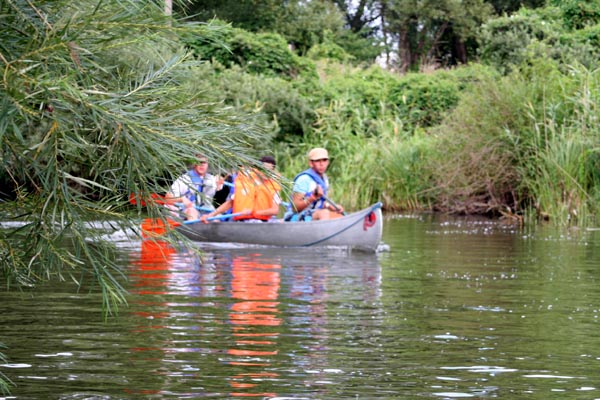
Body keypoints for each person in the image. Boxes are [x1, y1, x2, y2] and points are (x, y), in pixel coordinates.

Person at [201, 156, 281, 223]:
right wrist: (210, 215)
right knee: (217, 220)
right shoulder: (245, 181)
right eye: (264, 169)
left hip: (262, 221)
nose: (266, 172)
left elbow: (275, 210)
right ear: (258, 169)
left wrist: (254, 212)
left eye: (270, 169)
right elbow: (230, 203)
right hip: (242, 220)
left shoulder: (274, 186)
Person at [287, 147, 344, 221]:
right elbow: (295, 208)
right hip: (296, 217)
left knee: (338, 215)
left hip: (312, 214)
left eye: (324, 160)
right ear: (311, 163)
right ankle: (323, 232)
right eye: (317, 161)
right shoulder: (303, 179)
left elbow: (318, 204)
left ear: (328, 162)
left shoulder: (324, 179)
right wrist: (313, 197)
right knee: (324, 213)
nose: (322, 164)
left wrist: (329, 206)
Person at [165, 154, 219, 220]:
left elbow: (220, 184)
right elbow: (167, 198)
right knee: (191, 211)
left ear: (207, 164)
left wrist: (220, 182)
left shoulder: (212, 179)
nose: (201, 165)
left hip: (204, 212)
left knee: (216, 217)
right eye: (199, 162)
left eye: (204, 162)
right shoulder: (184, 179)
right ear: (194, 164)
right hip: (185, 212)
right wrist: (182, 199)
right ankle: (195, 228)